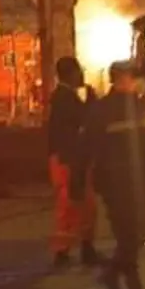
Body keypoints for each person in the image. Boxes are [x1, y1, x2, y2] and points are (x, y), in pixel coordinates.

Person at [72, 61, 145, 289]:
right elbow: (84, 148)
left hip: (139, 180)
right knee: (128, 236)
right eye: (134, 77)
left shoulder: (142, 107)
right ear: (121, 79)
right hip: (114, 183)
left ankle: (111, 274)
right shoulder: (102, 110)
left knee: (140, 231)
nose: (140, 81)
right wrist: (77, 181)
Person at [46, 57, 98, 269]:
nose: (81, 76)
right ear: (70, 74)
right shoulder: (63, 99)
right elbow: (83, 120)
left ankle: (86, 248)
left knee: (86, 205)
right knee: (68, 206)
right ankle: (62, 251)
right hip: (67, 161)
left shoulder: (65, 97)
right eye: (78, 72)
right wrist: (92, 103)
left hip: (73, 159)